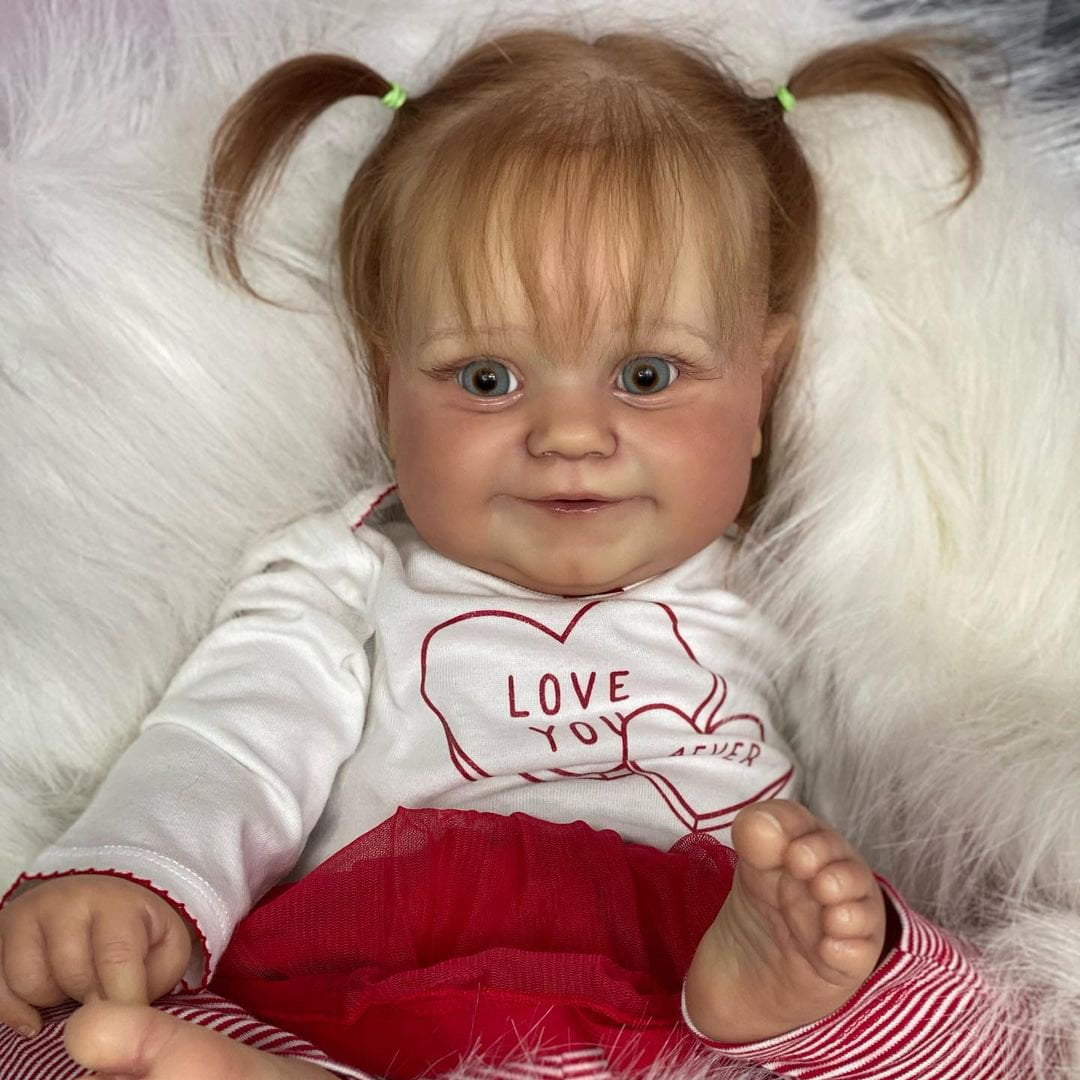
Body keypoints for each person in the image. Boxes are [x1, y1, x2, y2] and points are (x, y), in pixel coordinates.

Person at [0, 23, 1023, 1080]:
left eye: (646, 376)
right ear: (387, 386)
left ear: (760, 385)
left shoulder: (795, 588)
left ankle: (783, 1005)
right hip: (392, 978)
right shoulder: (348, 572)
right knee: (59, 1031)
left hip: (703, 970)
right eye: (486, 379)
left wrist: (839, 940)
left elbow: (910, 756)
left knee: (968, 1018)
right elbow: (235, 740)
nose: (569, 435)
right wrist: (134, 874)